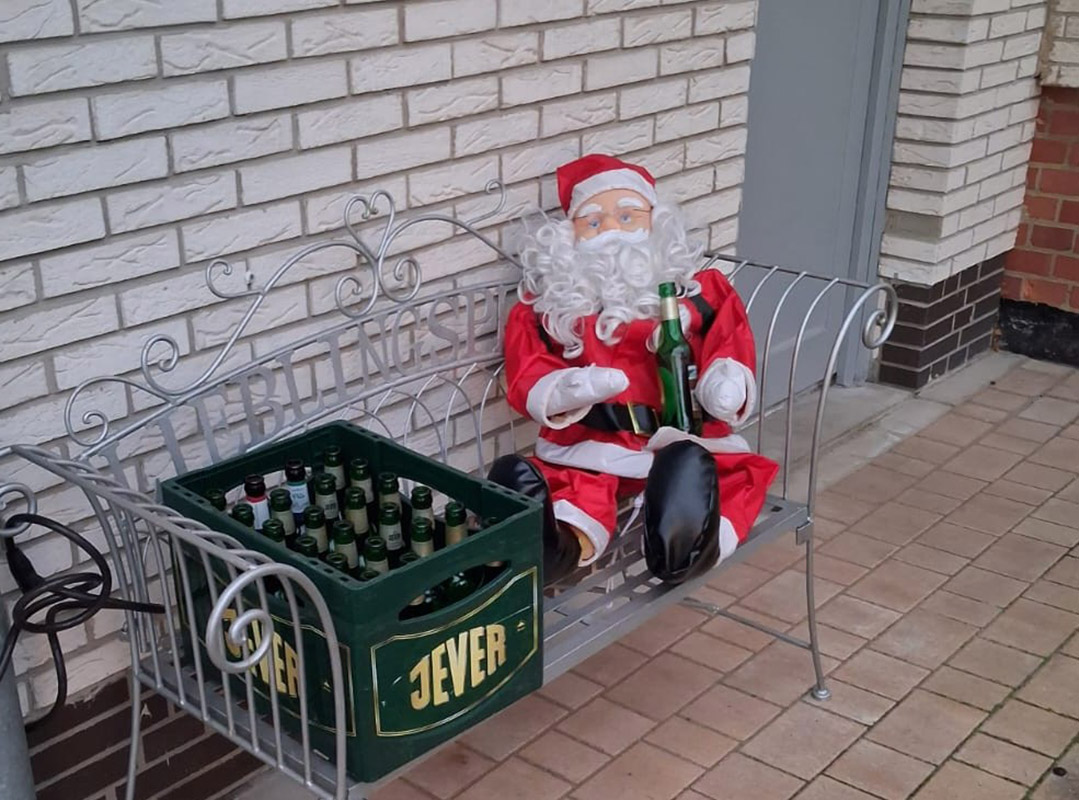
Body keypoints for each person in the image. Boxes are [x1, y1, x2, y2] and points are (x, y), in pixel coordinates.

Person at [488, 154, 778, 585]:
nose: (611, 232)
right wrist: (569, 386)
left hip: (684, 438)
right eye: (593, 222)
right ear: (569, 238)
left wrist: (725, 379)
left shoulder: (701, 292)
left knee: (714, 475)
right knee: (571, 489)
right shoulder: (552, 307)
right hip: (590, 447)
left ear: (656, 223)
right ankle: (555, 547)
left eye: (627, 215)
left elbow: (729, 336)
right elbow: (529, 366)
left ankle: (684, 546)